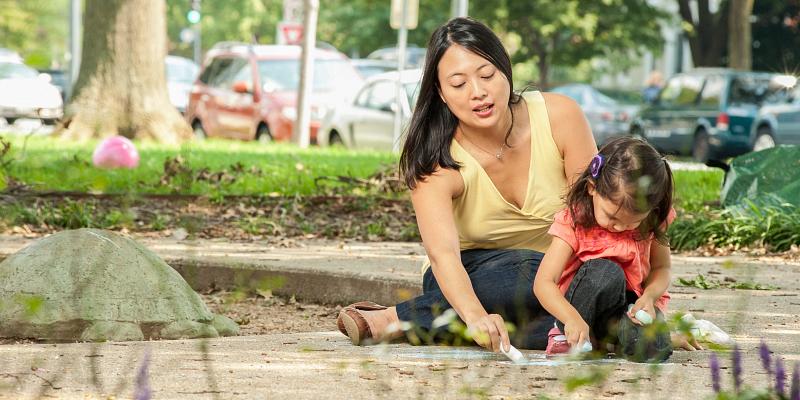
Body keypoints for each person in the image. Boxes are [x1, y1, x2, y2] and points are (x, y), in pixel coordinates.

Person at [336, 17, 597, 353]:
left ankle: (413, 320)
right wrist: (474, 315)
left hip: (564, 271)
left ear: (504, 69)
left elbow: (595, 215)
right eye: (458, 84)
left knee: (588, 295)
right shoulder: (436, 158)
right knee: (531, 272)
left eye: (486, 75)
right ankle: (424, 319)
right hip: (473, 276)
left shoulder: (561, 116)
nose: (478, 92)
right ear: (441, 94)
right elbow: (443, 255)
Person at [533, 136, 687, 362]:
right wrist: (570, 319)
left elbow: (661, 268)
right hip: (581, 311)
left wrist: (649, 296)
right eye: (612, 217)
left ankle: (615, 341)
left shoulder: (652, 221)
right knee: (606, 271)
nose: (620, 227)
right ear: (592, 188)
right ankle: (567, 337)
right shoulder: (574, 221)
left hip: (626, 307)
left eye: (632, 221)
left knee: (655, 349)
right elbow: (543, 283)